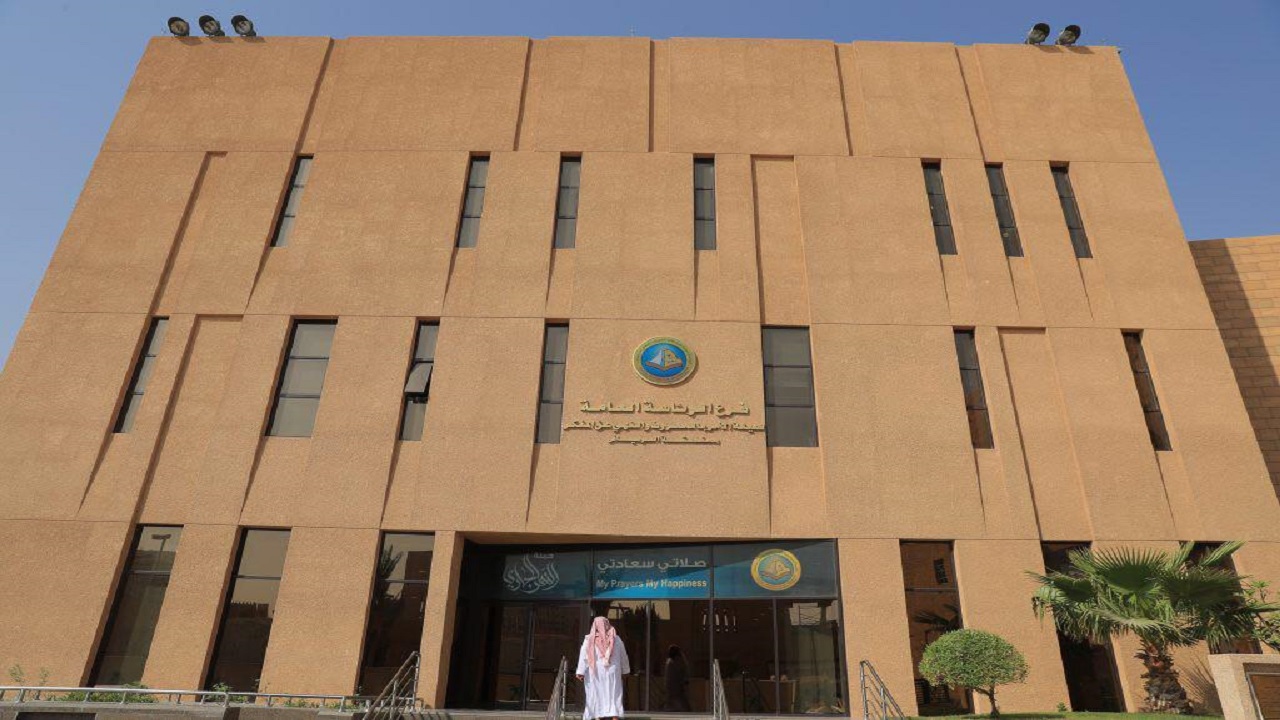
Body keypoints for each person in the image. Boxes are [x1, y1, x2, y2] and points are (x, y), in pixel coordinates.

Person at [576, 616, 630, 720]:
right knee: (614, 694)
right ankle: (614, 716)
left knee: (598, 694)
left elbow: (584, 657)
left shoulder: (589, 640)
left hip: (596, 673)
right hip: (612, 672)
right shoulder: (616, 639)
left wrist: (580, 671)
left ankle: (599, 715)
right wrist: (625, 670)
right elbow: (623, 656)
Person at [664, 644, 691, 712]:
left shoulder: (670, 663)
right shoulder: (673, 663)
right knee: (685, 710)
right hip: (676, 693)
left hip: (674, 693)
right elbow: (684, 672)